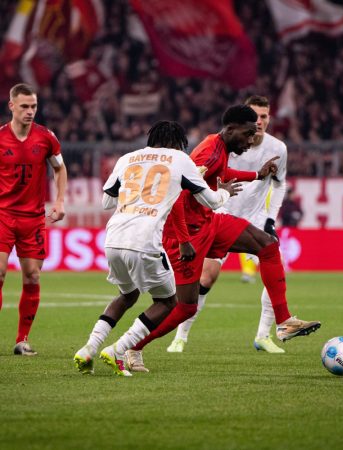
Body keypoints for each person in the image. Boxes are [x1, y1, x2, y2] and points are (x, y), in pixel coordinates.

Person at [124, 104, 321, 373]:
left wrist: (256, 175)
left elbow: (220, 175)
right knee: (185, 307)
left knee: (267, 245)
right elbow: (179, 194)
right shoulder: (208, 152)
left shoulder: (220, 147)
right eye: (248, 134)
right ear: (230, 129)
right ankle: (132, 347)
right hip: (187, 234)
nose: (251, 141)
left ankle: (284, 322)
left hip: (210, 221)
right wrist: (184, 240)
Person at [73, 121, 241, 376]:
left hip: (114, 237)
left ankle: (88, 349)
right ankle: (118, 349)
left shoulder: (127, 158)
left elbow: (107, 201)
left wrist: (137, 193)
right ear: (177, 143)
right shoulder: (180, 159)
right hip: (144, 239)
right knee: (168, 301)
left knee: (127, 295)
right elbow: (212, 202)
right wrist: (225, 192)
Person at [166, 95, 290, 355]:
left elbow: (279, 186)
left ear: (269, 118)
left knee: (274, 259)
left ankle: (265, 334)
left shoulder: (278, 148)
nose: (259, 122)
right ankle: (180, 336)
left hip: (256, 216)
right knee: (206, 278)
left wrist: (270, 218)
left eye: (264, 117)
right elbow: (194, 182)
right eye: (255, 117)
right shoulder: (224, 145)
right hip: (220, 209)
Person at [0, 83, 67, 356]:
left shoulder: (46, 137)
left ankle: (22, 340)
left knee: (32, 276)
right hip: (3, 215)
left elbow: (60, 169)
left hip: (33, 219)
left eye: (34, 106)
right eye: (25, 106)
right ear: (12, 106)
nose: (30, 111)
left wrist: (60, 201)